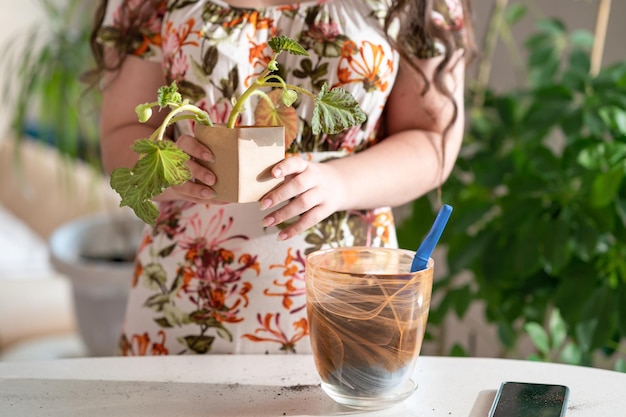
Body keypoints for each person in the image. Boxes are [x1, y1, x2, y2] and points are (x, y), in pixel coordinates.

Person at [90, 0, 475, 355]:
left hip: (345, 303)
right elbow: (122, 132)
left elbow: (432, 138)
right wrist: (172, 170)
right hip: (180, 302)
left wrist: (339, 182)